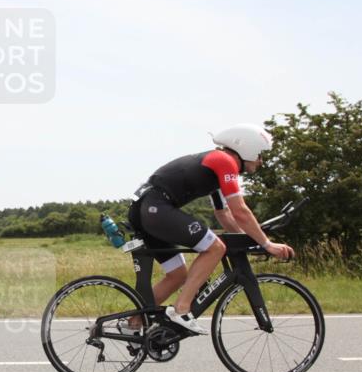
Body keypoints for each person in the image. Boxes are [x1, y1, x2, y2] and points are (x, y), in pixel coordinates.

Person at [125, 124, 295, 335]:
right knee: (215, 247)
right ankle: (181, 310)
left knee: (178, 275)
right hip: (156, 208)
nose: (261, 161)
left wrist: (248, 241)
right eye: (259, 154)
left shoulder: (216, 165)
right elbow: (240, 211)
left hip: (147, 209)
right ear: (247, 148)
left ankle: (132, 323)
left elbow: (224, 214)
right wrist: (267, 244)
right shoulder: (225, 162)